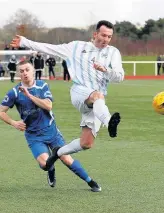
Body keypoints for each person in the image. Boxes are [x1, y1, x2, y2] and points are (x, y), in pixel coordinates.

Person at [10, 20, 124, 166]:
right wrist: (25, 41)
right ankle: (109, 123)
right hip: (80, 92)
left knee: (86, 143)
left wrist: (105, 70)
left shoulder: (113, 52)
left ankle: (58, 153)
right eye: (103, 35)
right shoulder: (76, 47)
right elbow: (49, 48)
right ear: (95, 34)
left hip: (97, 104)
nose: (106, 39)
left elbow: (120, 77)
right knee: (97, 96)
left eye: (109, 37)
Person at [0, 60, 101, 192]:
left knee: (67, 159)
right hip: (34, 136)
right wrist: (14, 122)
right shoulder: (14, 92)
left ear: (33, 71)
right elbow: (1, 111)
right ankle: (51, 169)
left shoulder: (42, 86)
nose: (24, 73)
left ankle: (91, 182)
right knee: (45, 164)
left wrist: (29, 95)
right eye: (21, 71)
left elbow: (48, 106)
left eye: (27, 70)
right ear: (19, 74)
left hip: (52, 132)